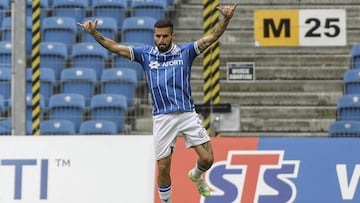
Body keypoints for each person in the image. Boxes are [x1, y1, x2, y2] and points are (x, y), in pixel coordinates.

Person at [78, 3, 237, 203]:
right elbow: (114, 47)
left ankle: (195, 175)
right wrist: (94, 33)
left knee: (208, 159)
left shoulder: (186, 52)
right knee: (163, 167)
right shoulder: (146, 55)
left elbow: (212, 36)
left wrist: (227, 19)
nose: (160, 40)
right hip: (162, 117)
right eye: (157, 36)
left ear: (173, 36)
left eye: (164, 36)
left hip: (187, 113)